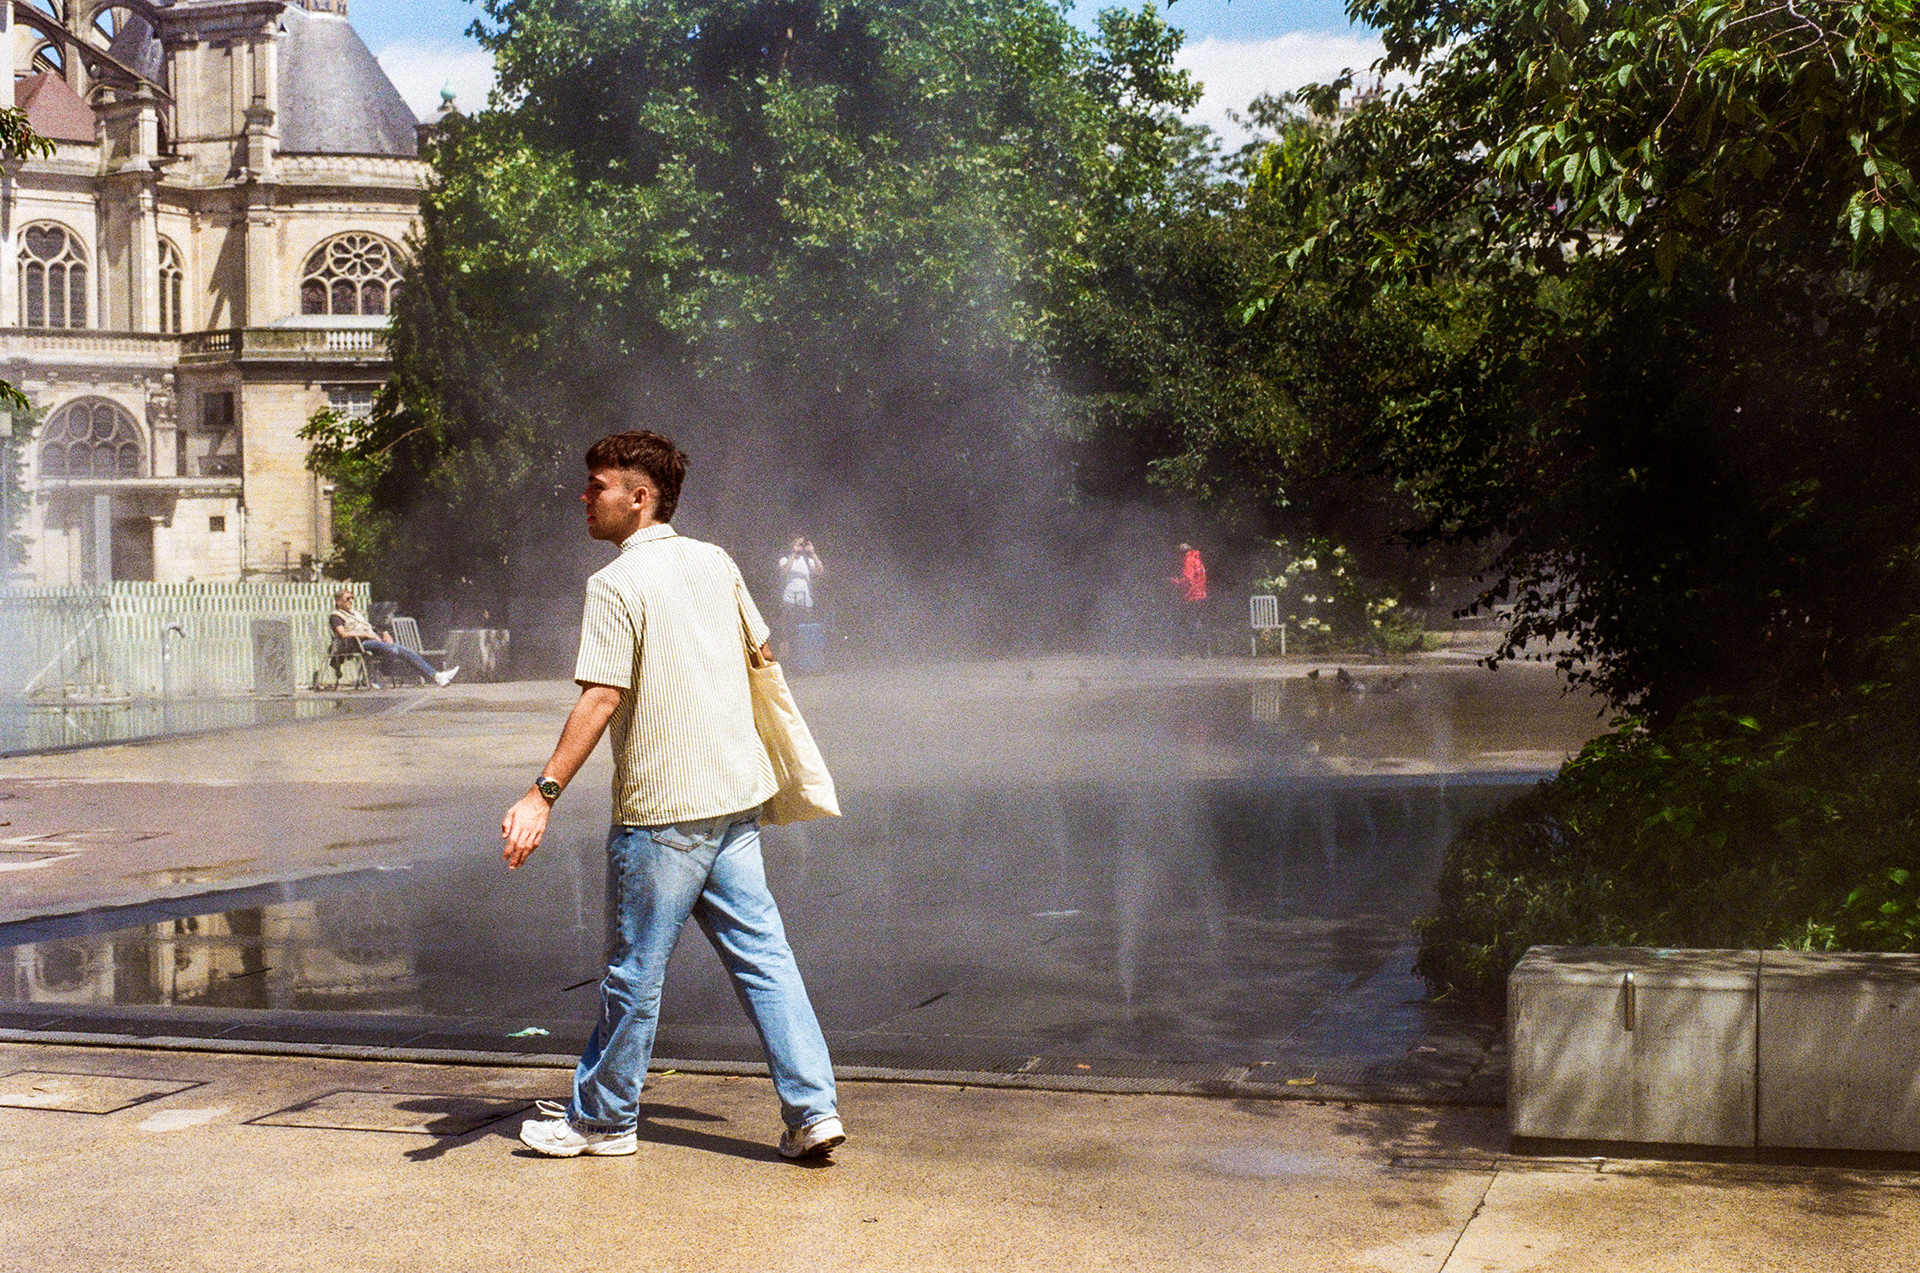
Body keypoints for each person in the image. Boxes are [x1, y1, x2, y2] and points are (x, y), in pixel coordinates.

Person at [502, 430, 844, 1161]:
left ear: (640, 496)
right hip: (733, 795)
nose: (585, 498)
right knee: (766, 958)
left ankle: (602, 1119)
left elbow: (601, 696)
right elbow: (764, 654)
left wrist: (542, 794)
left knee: (634, 970)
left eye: (597, 485)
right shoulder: (715, 561)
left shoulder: (615, 584)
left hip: (663, 811)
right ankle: (813, 1110)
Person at [328, 589, 458, 686]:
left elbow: (370, 627)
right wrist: (366, 635)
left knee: (403, 650)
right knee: (393, 649)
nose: (351, 601)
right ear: (338, 602)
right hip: (357, 643)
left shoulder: (355, 614)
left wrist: (384, 633)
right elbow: (342, 634)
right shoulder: (336, 616)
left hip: (372, 640)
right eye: (347, 599)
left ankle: (436, 675)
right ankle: (381, 676)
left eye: (352, 598)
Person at [776, 535, 822, 655]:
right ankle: (785, 657)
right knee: (785, 628)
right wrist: (793, 553)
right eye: (798, 544)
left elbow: (820, 571)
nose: (801, 547)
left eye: (802, 544)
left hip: (804, 598)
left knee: (806, 624)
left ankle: (807, 654)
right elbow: (785, 571)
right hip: (789, 597)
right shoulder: (785, 559)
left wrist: (813, 553)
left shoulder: (807, 560)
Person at [1172, 542, 1209, 656]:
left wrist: (1174, 581)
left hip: (1191, 596)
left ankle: (1186, 651)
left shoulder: (1188, 561)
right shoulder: (1197, 559)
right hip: (1201, 594)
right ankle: (1204, 650)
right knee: (1197, 622)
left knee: (1187, 623)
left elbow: (1187, 579)